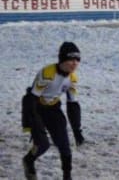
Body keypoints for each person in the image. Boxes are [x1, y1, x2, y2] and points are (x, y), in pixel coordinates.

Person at [21, 42, 85, 180]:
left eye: (77, 60)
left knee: (65, 147)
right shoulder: (47, 73)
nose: (75, 63)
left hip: (53, 109)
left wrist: (77, 130)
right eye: (71, 59)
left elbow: (73, 105)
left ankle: (67, 176)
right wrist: (30, 123)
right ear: (62, 59)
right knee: (43, 145)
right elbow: (30, 99)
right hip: (35, 108)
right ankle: (28, 160)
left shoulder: (72, 78)